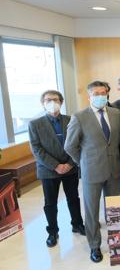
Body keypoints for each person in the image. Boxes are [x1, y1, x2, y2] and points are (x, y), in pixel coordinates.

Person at [64, 81, 120, 263]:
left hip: (113, 169)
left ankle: (116, 242)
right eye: (96, 93)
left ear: (107, 94)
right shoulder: (80, 117)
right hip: (92, 171)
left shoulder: (115, 114)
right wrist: (83, 161)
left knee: (114, 209)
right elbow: (70, 146)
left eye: (103, 92)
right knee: (92, 211)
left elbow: (117, 139)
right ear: (89, 97)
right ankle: (95, 245)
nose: (100, 96)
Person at [28, 90, 85, 248]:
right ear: (43, 103)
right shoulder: (35, 124)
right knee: (50, 203)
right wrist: (56, 166)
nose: (51, 102)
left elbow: (78, 143)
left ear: (61, 102)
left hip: (70, 167)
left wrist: (69, 163)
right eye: (47, 100)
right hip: (48, 170)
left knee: (73, 198)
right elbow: (37, 149)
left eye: (55, 99)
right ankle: (52, 231)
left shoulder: (71, 119)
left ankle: (77, 224)